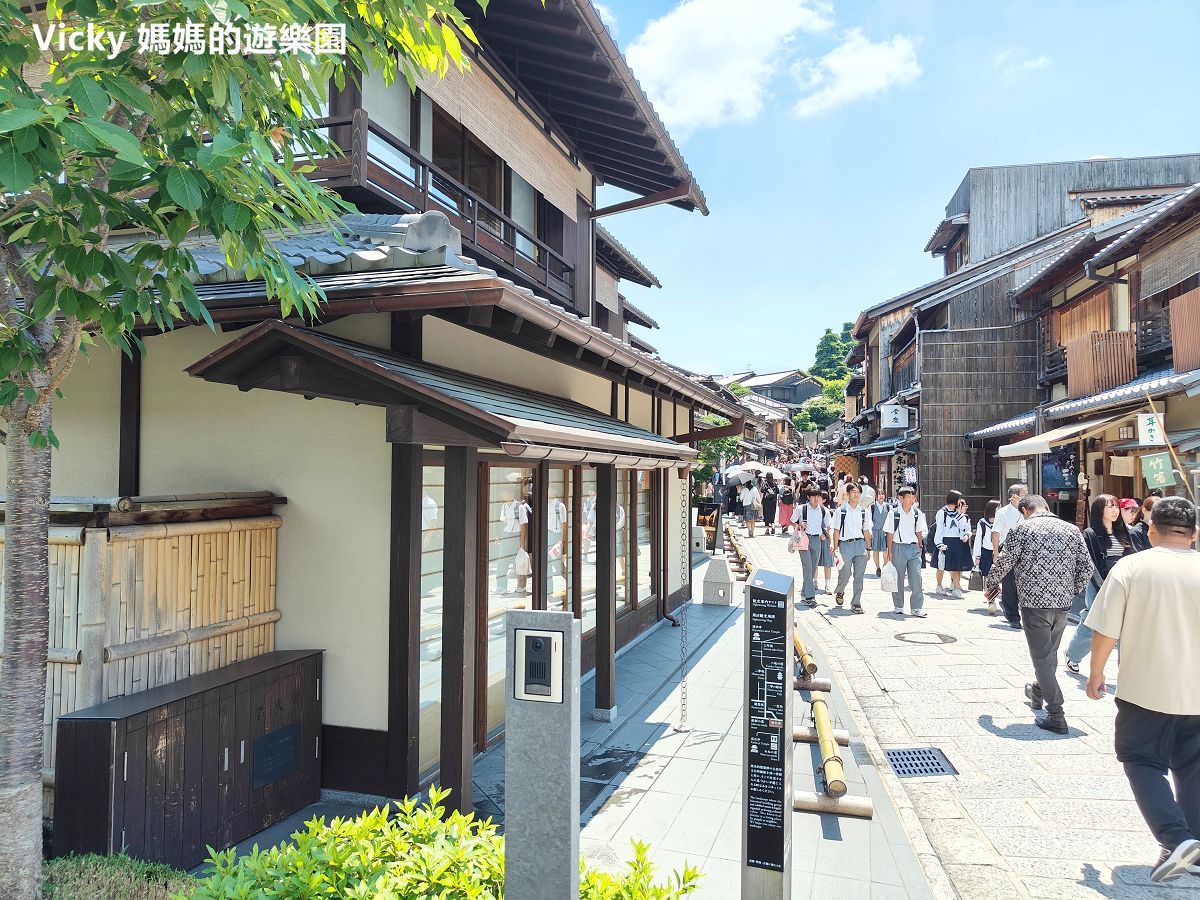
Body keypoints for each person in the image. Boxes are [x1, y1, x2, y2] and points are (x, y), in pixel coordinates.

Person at [1084, 497, 1200, 883]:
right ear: (1194, 534)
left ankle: (1177, 838)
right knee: (1193, 765)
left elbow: (1105, 627)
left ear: (1151, 530)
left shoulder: (1132, 567)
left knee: (1141, 759)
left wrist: (1095, 673)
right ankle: (1194, 845)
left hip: (1145, 688)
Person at [984, 495, 1094, 734]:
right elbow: (1087, 567)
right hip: (1062, 604)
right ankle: (1037, 690)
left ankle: (1056, 713)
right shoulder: (1070, 529)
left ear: (1025, 510)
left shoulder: (1021, 529)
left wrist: (990, 583)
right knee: (1050, 654)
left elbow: (1005, 561)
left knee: (1043, 659)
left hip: (1034, 603)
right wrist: (1071, 590)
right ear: (1046, 507)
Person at [1063, 494, 1140, 675]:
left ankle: (1126, 668)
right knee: (1094, 623)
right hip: (1099, 583)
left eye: (1116, 506)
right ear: (1099, 510)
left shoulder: (1124, 530)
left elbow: (1132, 557)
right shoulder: (1090, 533)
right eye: (1109, 507)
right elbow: (1090, 563)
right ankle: (1073, 654)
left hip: (1123, 583)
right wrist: (1101, 586)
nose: (1114, 511)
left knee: (1125, 624)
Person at [884, 485, 927, 617]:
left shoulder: (917, 513)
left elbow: (919, 531)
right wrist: (889, 551)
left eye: (913, 497)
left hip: (913, 548)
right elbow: (890, 533)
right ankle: (898, 605)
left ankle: (916, 607)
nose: (911, 499)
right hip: (898, 546)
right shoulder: (894, 513)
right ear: (901, 498)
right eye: (908, 497)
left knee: (917, 577)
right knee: (898, 578)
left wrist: (920, 546)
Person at [992, 483, 1030, 627]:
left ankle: (1011, 607)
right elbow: (996, 533)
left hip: (1025, 550)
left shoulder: (1028, 512)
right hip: (1007, 549)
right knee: (1009, 583)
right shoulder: (1002, 512)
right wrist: (996, 554)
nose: (1027, 497)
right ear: (1015, 497)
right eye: (1025, 494)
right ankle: (1013, 617)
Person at [831, 483, 872, 613]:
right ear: (847, 494)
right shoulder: (840, 511)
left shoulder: (864, 512)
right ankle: (840, 590)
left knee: (859, 576)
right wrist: (836, 547)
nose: (856, 494)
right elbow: (836, 530)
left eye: (858, 492)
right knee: (845, 573)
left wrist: (868, 548)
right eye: (853, 492)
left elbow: (866, 531)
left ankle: (856, 602)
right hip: (845, 545)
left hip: (860, 544)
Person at [794, 487, 832, 606]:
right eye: (813, 496)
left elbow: (828, 526)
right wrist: (799, 525)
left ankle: (805, 592)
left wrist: (824, 534)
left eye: (818, 496)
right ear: (808, 497)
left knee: (813, 566)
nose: (816, 498)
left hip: (817, 539)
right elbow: (791, 520)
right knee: (808, 566)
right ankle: (810, 596)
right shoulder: (801, 509)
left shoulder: (824, 510)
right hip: (803, 538)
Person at [931, 490, 971, 597]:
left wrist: (960, 514)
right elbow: (939, 529)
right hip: (945, 541)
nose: (960, 502)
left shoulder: (959, 513)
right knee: (941, 565)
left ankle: (956, 588)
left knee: (957, 566)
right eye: (958, 499)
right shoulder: (942, 512)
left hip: (957, 541)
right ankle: (939, 586)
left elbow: (963, 527)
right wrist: (939, 543)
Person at [973, 500, 1000, 611]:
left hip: (999, 551)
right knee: (988, 577)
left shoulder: (1001, 520)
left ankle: (994, 597)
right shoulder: (982, 523)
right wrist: (977, 556)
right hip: (986, 552)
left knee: (998, 577)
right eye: (998, 507)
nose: (1000, 509)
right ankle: (991, 600)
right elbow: (978, 539)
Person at [869, 492, 892, 577]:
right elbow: (869, 520)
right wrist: (870, 531)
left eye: (882, 494)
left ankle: (885, 565)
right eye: (879, 494)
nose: (881, 496)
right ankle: (878, 568)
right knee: (876, 550)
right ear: (876, 496)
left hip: (885, 531)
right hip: (875, 530)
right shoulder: (872, 507)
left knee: (886, 550)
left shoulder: (888, 506)